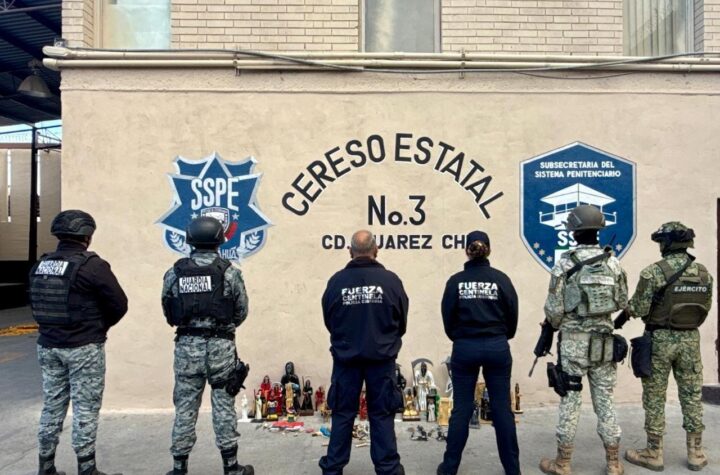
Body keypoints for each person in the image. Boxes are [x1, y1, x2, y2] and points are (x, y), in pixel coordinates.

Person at [30, 210, 128, 475]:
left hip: (48, 346)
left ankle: (46, 466)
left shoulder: (41, 265)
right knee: (85, 409)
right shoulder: (93, 266)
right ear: (87, 235)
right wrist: (98, 327)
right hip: (83, 347)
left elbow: (36, 303)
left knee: (52, 406)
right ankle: (87, 468)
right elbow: (119, 304)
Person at [539, 205, 628, 475]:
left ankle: (563, 463)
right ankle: (613, 463)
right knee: (605, 401)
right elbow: (622, 301)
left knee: (570, 401)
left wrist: (553, 326)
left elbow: (554, 310)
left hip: (574, 345)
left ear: (574, 232)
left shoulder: (565, 264)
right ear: (598, 230)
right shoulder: (613, 263)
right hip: (603, 345)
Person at [616, 222, 713, 471]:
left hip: (659, 340)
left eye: (661, 241)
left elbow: (639, 307)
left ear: (667, 244)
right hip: (690, 339)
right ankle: (696, 452)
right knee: (692, 395)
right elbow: (706, 307)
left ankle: (654, 452)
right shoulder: (704, 273)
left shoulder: (653, 272)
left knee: (655, 396)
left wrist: (624, 314)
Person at [161, 216, 253, 475]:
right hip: (220, 348)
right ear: (219, 241)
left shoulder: (175, 272)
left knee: (185, 407)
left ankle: (179, 467)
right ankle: (231, 467)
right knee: (223, 405)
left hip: (186, 348)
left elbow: (168, 310)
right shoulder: (229, 272)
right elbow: (241, 311)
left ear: (190, 240)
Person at [319, 230, 409, 475]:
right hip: (381, 359)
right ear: (376, 250)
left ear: (350, 251)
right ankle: (388, 468)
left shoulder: (336, 282)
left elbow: (329, 319)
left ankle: (333, 468)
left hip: (346, 359)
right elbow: (401, 322)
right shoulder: (391, 282)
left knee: (342, 414)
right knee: (382, 414)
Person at [436, 230, 520, 475]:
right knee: (502, 409)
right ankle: (513, 469)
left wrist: (461, 337)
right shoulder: (501, 280)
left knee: (461, 408)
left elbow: (448, 318)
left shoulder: (456, 281)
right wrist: (499, 336)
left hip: (465, 347)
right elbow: (512, 317)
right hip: (497, 346)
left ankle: (449, 468)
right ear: (489, 250)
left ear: (467, 251)